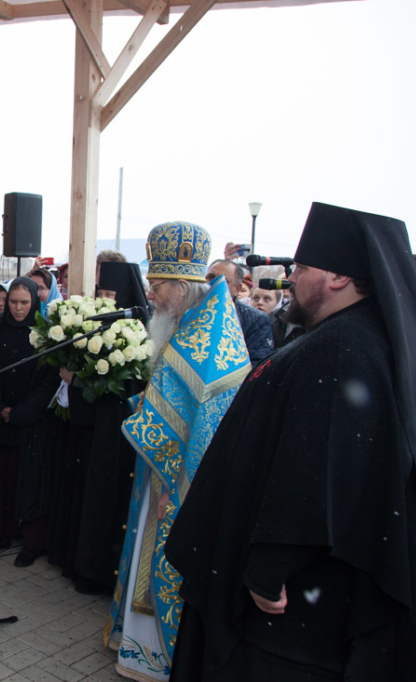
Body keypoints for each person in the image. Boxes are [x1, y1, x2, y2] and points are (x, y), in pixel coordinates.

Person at [166, 203, 416, 682]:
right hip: (307, 603)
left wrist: (267, 569)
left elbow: (313, 471)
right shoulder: (350, 337)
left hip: (289, 614)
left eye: (303, 268)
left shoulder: (341, 348)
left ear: (338, 277)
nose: (289, 279)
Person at [104, 222, 251, 682]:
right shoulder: (186, 325)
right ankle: (135, 647)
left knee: (162, 557)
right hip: (159, 469)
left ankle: (156, 657)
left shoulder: (208, 338)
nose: (150, 294)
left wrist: (178, 487)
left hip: (179, 478)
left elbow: (209, 426)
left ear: (182, 288)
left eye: (157, 285)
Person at [47, 261, 146, 595]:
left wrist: (80, 381)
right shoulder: (95, 325)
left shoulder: (138, 334)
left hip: (116, 437)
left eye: (112, 294)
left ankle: (97, 572)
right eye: (101, 293)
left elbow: (129, 387)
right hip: (89, 432)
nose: (107, 301)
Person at [0, 277, 58, 565]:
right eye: (13, 302)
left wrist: (20, 413)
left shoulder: (47, 333)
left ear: (35, 301)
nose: (18, 308)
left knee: (31, 481)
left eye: (25, 302)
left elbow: (49, 381)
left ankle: (31, 544)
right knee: (0, 481)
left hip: (32, 421)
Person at [206, 259, 274, 366]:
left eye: (223, 280)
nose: (213, 283)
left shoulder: (256, 320)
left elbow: (258, 364)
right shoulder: (188, 312)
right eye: (210, 277)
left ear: (237, 289)